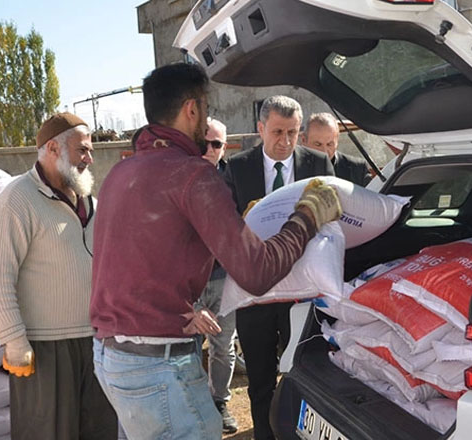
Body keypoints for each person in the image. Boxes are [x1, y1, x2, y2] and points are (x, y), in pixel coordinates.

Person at [90, 63, 342, 440]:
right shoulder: (191, 174)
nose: (206, 121)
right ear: (192, 109)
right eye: (205, 110)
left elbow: (132, 263)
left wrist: (177, 309)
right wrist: (307, 215)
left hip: (111, 356)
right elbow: (256, 272)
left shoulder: (121, 174)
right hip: (156, 365)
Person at [0, 112, 117, 440]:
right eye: (82, 150)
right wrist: (14, 341)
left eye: (91, 151)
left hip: (96, 344)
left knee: (100, 431)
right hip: (44, 350)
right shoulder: (18, 199)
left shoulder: (92, 204)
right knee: (47, 433)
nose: (90, 157)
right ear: (53, 149)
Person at [222, 95, 334, 440]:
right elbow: (224, 226)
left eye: (293, 133)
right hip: (256, 294)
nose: (285, 141)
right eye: (277, 132)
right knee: (259, 378)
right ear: (260, 129)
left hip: (303, 293)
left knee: (304, 373)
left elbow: (332, 217)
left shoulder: (317, 163)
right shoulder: (236, 167)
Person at [196, 117, 238, 434]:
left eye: (217, 144)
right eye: (204, 143)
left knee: (223, 346)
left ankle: (219, 402)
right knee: (189, 347)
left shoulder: (235, 179)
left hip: (226, 279)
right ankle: (195, 405)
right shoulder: (177, 178)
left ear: (224, 147)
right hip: (190, 281)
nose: (209, 150)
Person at [301, 112, 371, 186]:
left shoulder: (357, 170)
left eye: (329, 144)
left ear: (337, 141)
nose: (324, 151)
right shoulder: (291, 168)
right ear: (303, 140)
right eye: (318, 144)